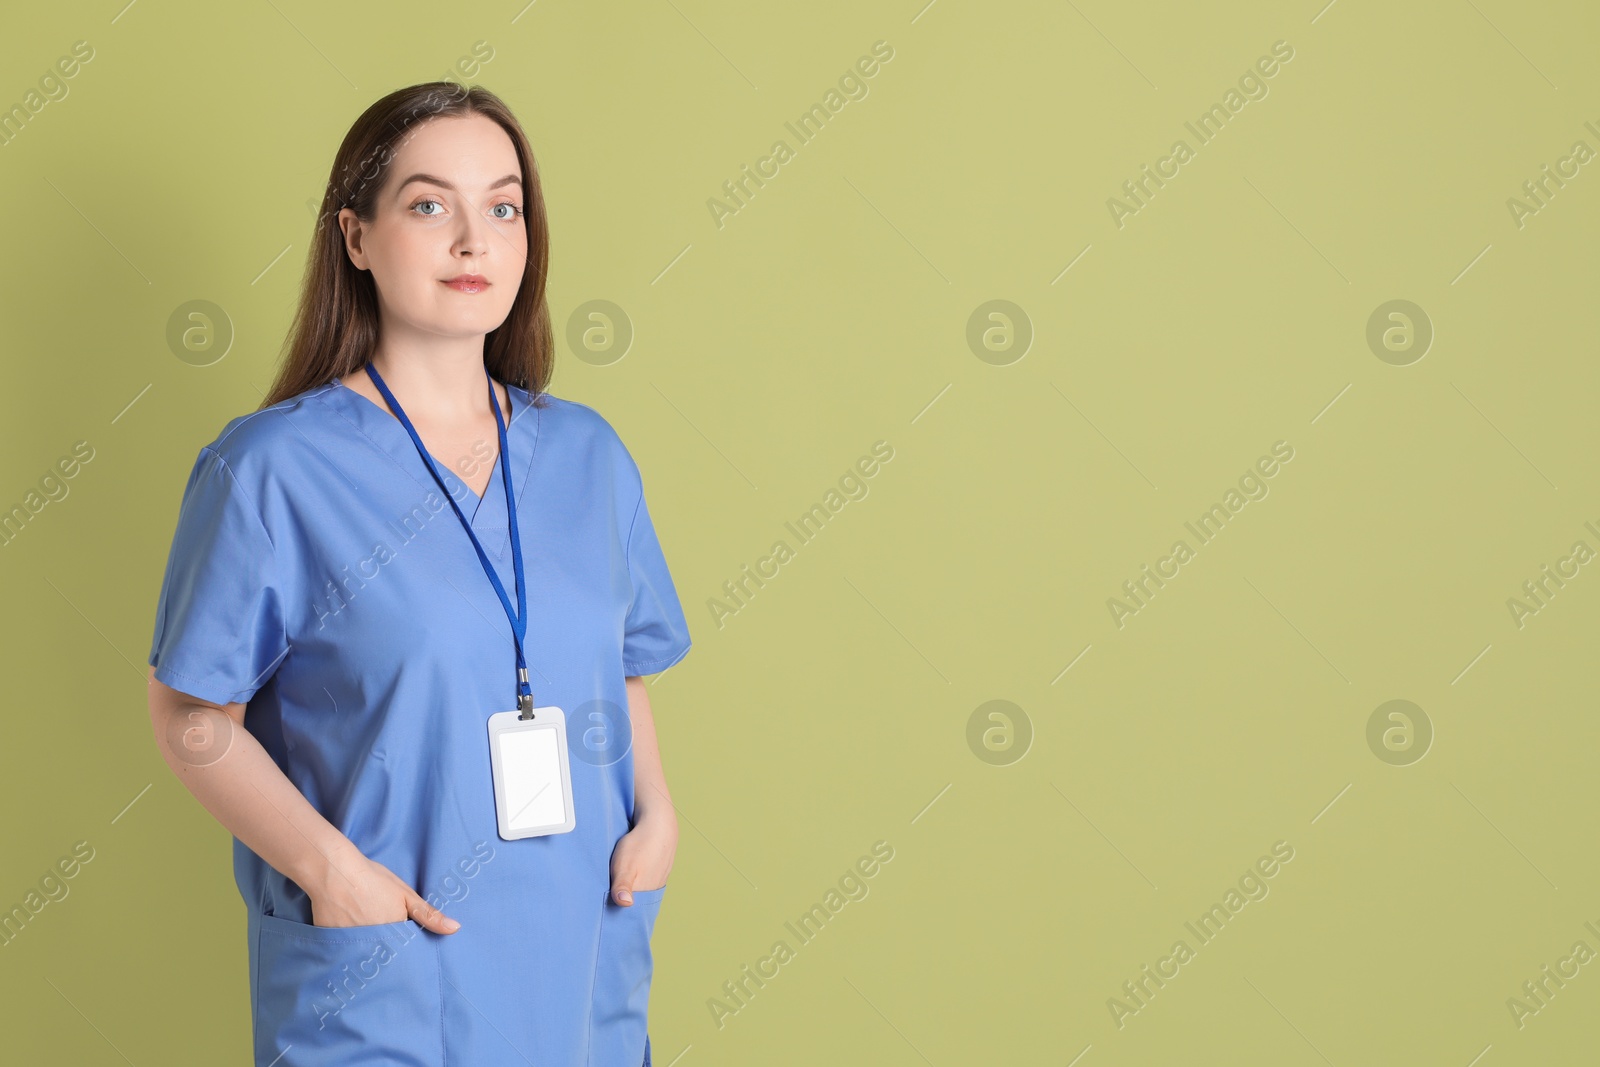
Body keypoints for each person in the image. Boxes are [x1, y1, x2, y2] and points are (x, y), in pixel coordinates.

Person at [144, 81, 691, 1066]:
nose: (474, 240)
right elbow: (188, 713)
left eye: (504, 206)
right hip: (385, 965)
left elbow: (624, 666)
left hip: (577, 957)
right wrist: (331, 871)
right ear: (355, 236)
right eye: (430, 204)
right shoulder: (274, 469)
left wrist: (657, 816)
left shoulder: (588, 458)